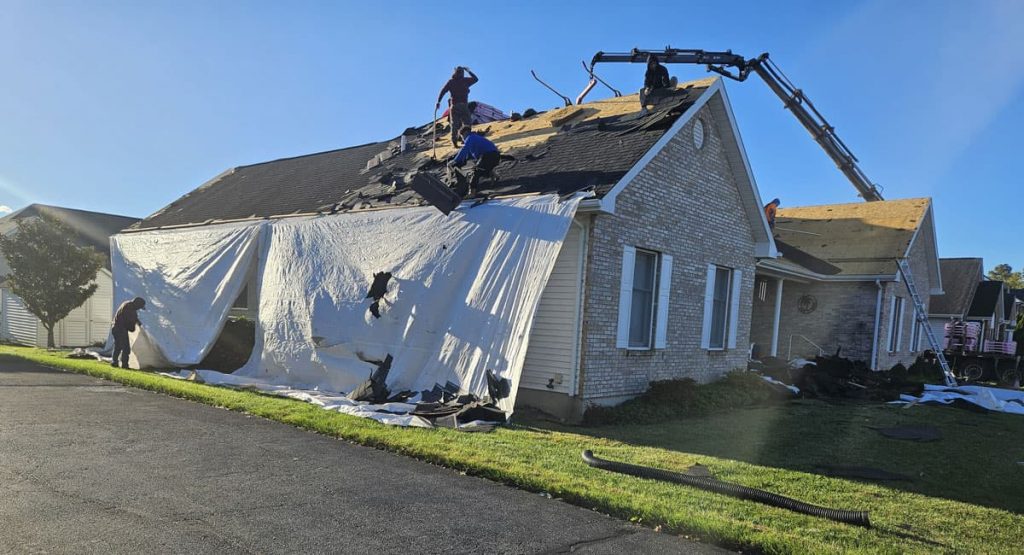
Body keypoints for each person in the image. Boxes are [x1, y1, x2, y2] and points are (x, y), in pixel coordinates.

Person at [450, 126, 499, 196]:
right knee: (482, 165)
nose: (462, 139)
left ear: (464, 134)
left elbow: (464, 149)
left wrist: (455, 160)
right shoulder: (476, 138)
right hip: (495, 156)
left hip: (489, 156)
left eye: (462, 137)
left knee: (476, 171)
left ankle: (472, 192)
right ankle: (495, 176)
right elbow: (468, 154)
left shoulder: (470, 138)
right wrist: (461, 161)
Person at [436, 66, 479, 147]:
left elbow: (443, 91)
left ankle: (456, 141)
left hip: (455, 106)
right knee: (466, 123)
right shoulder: (465, 80)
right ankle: (465, 139)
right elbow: (476, 79)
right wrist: (469, 71)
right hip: (462, 105)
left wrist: (438, 101)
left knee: (455, 124)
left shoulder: (452, 82)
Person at [111, 296, 146, 368]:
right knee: (126, 348)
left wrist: (138, 322)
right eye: (139, 307)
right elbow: (129, 322)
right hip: (120, 329)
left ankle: (114, 362)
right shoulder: (129, 308)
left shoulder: (128, 305)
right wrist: (133, 327)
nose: (139, 309)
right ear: (137, 304)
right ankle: (124, 365)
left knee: (118, 346)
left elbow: (134, 318)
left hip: (116, 327)